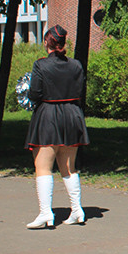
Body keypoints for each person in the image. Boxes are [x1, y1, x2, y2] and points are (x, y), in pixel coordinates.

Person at [24, 25, 89, 229]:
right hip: (72, 114)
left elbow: (35, 93)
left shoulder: (40, 65)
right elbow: (81, 90)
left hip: (49, 115)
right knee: (69, 166)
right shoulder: (76, 65)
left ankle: (46, 213)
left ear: (47, 43)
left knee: (43, 166)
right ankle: (77, 209)